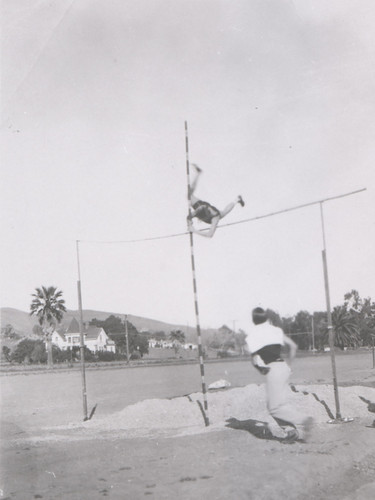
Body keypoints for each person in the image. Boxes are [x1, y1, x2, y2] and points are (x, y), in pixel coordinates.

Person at [245, 307, 314, 442]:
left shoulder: (252, 335)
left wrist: (260, 368)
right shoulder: (276, 330)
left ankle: (304, 420)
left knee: (274, 408)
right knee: (277, 405)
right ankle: (290, 432)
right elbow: (293, 346)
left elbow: (254, 359)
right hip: (283, 366)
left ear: (253, 320)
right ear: (266, 318)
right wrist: (289, 365)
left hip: (272, 369)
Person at [187, 164, 244, 238]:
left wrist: (194, 230)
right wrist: (189, 222)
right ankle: (198, 173)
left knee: (222, 213)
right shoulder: (199, 208)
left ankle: (237, 200)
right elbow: (189, 217)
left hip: (213, 213)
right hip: (202, 206)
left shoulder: (215, 217)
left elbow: (210, 235)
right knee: (189, 195)